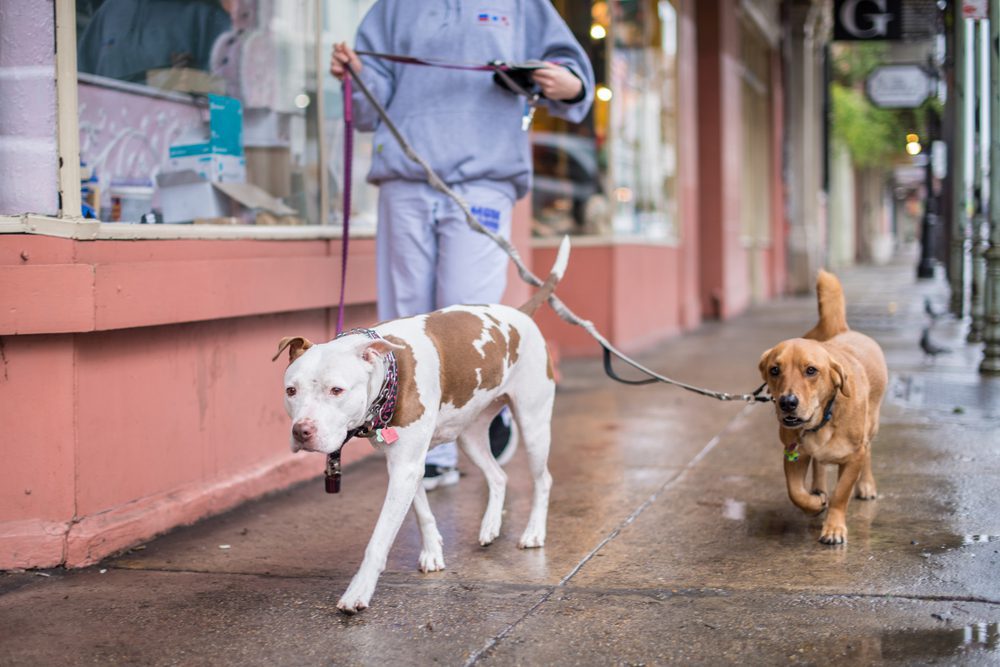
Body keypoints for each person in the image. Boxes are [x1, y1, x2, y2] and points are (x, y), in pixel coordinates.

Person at [330, 1, 594, 490]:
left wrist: (569, 83)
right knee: (403, 318)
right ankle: (420, 445)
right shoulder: (391, 7)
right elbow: (370, 105)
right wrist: (355, 74)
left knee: (464, 320)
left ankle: (482, 415)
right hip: (405, 179)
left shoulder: (521, 5)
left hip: (483, 179)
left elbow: (572, 74)